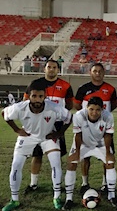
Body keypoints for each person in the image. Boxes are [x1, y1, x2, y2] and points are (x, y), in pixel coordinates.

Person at [2, 80, 72, 211]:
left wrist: (59, 133)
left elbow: (69, 117)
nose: (37, 99)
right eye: (34, 96)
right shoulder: (20, 107)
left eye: (40, 96)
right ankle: (14, 199)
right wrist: (17, 130)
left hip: (47, 137)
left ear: (45, 96)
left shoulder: (54, 107)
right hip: (28, 137)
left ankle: (56, 197)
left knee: (56, 163)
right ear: (29, 96)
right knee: (16, 165)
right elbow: (5, 115)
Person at [23, 59, 74, 194]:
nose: (51, 69)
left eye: (54, 67)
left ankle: (56, 184)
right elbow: (25, 101)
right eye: (49, 67)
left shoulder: (65, 86)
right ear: (44, 69)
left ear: (58, 70)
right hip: (37, 123)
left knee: (56, 156)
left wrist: (60, 121)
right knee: (37, 154)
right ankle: (33, 184)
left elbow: (69, 105)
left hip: (56, 124)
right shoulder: (35, 84)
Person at [62, 96, 117, 210]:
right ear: (86, 107)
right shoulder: (79, 116)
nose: (94, 112)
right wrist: (77, 152)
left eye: (97, 110)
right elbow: (78, 135)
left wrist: (107, 153)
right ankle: (69, 199)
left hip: (100, 143)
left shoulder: (108, 116)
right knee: (72, 163)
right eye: (91, 109)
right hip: (83, 143)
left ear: (102, 109)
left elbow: (108, 135)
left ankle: (112, 196)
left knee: (110, 162)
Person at [73, 62, 117, 193]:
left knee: (107, 156)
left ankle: (105, 183)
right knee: (85, 157)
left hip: (104, 130)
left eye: (100, 71)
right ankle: (85, 183)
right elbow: (77, 105)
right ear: (90, 73)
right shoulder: (83, 88)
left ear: (104, 73)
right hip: (86, 129)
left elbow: (113, 105)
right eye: (95, 71)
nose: (97, 73)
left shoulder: (110, 89)